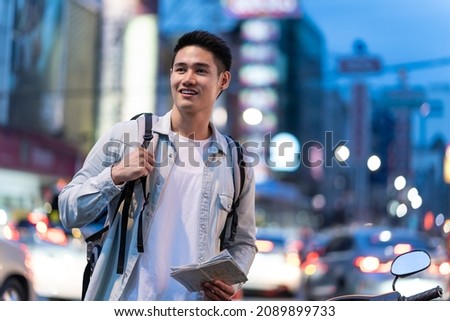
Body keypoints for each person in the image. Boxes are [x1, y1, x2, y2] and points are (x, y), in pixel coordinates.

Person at [58, 30, 257, 301]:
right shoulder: (129, 136)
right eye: (180, 69)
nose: (187, 79)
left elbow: (243, 242)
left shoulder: (237, 162)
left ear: (223, 80)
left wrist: (229, 281)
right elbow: (69, 210)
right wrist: (114, 176)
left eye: (200, 70)